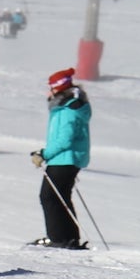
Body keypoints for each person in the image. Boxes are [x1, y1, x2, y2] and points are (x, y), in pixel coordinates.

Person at [30, 68, 91, 249]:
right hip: (66, 158)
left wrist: (44, 154)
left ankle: (59, 238)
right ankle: (69, 238)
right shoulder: (70, 106)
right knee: (61, 197)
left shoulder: (68, 109)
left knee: (49, 196)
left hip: (64, 158)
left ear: (59, 88)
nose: (49, 91)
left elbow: (65, 139)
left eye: (51, 87)